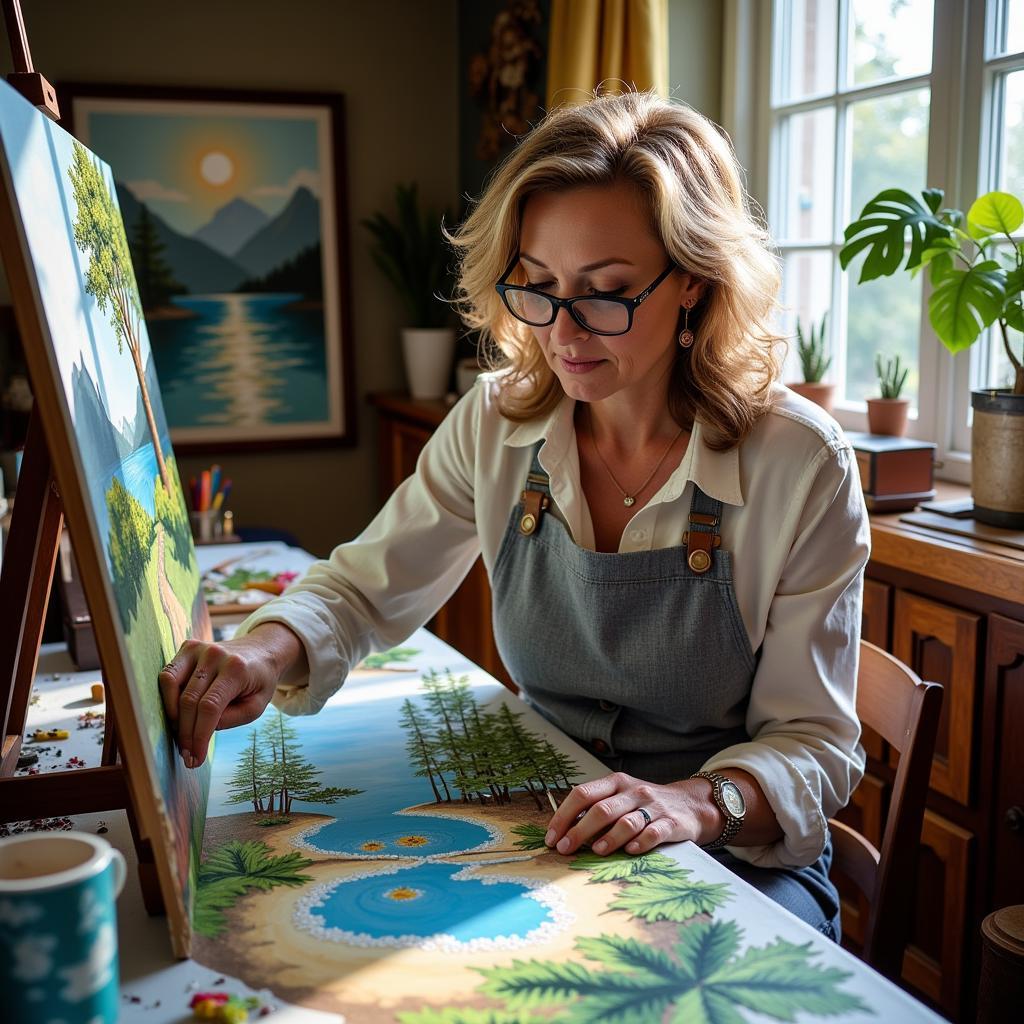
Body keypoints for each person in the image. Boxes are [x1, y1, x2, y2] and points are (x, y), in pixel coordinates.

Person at [159, 91, 869, 940]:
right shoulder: (500, 420)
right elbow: (361, 590)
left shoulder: (799, 462)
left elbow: (815, 744)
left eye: (605, 294)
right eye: (536, 287)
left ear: (694, 283)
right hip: (547, 825)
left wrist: (694, 802)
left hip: (733, 857)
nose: (561, 333)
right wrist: (262, 652)